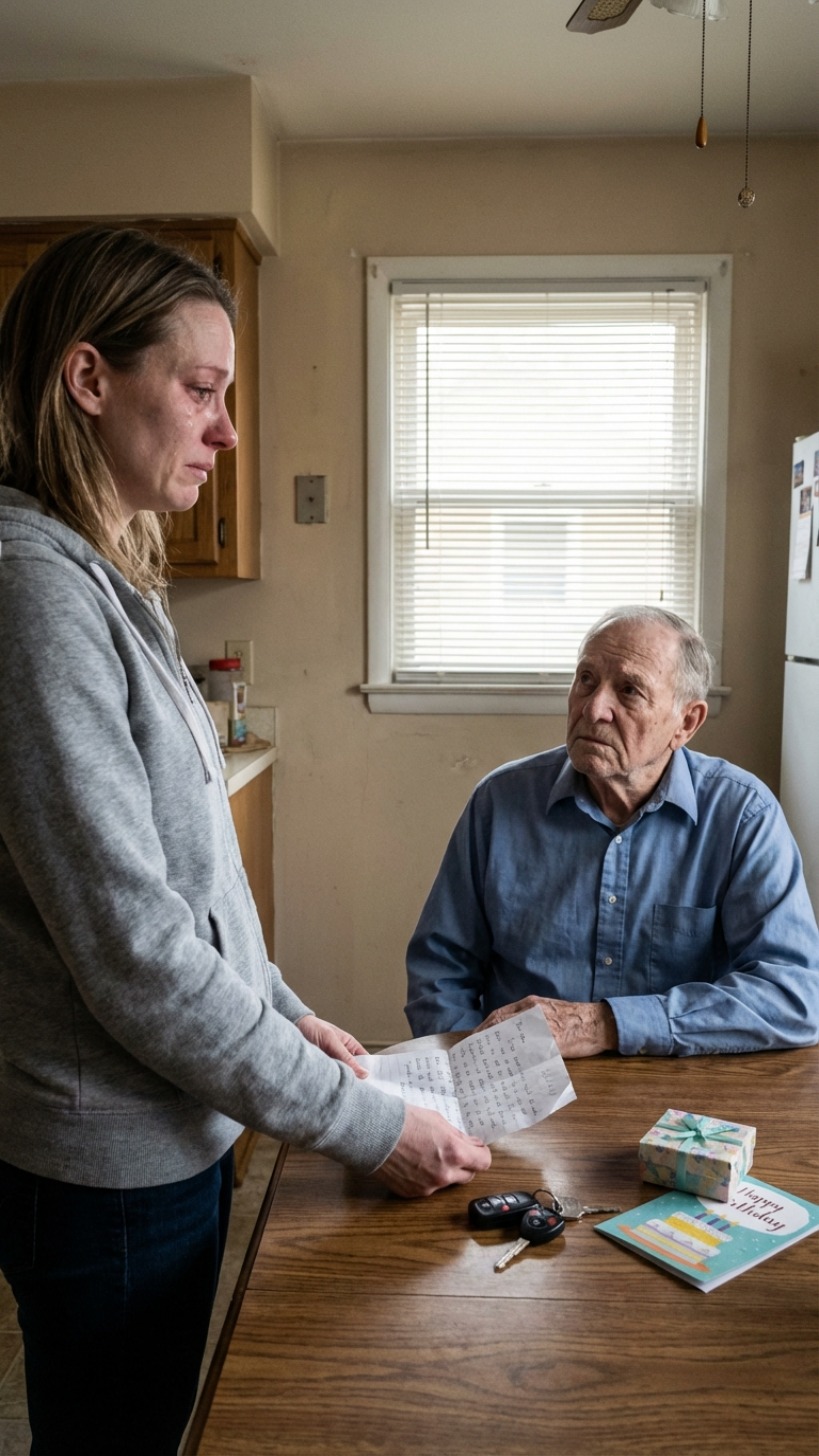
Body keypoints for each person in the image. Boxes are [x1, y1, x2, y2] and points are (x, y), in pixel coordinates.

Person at [0, 225, 490, 1456]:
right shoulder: (34, 595)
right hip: (103, 1162)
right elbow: (135, 951)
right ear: (89, 379)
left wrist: (279, 1007)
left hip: (166, 1126)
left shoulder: (105, 577)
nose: (228, 432)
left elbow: (191, 883)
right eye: (203, 390)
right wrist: (371, 1125)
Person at [405, 605, 819, 1057]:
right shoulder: (500, 802)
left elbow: (793, 996)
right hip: (523, 1080)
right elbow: (440, 971)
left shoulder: (741, 815)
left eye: (628, 690)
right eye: (586, 679)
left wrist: (604, 1023)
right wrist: (472, 1071)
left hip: (682, 1090)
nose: (594, 708)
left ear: (686, 722)